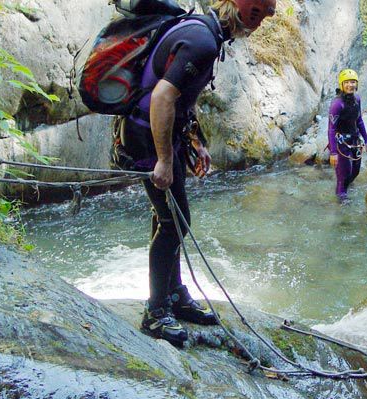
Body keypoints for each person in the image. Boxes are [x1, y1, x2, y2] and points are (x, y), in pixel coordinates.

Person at [118, 0, 276, 346]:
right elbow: (162, 98)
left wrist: (193, 139)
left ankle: (174, 295)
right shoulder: (203, 41)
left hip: (158, 132)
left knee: (170, 218)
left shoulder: (204, 31)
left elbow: (180, 98)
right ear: (244, 11)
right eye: (259, 14)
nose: (261, 23)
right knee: (174, 222)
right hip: (147, 135)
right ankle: (156, 313)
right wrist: (162, 159)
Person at [328, 69, 367, 201]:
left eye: (353, 82)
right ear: (341, 85)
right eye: (347, 82)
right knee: (344, 175)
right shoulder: (337, 104)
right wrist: (333, 152)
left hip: (355, 140)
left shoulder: (357, 99)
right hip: (341, 143)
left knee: (355, 172)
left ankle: (345, 186)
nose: (350, 85)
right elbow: (331, 129)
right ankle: (342, 200)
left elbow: (359, 120)